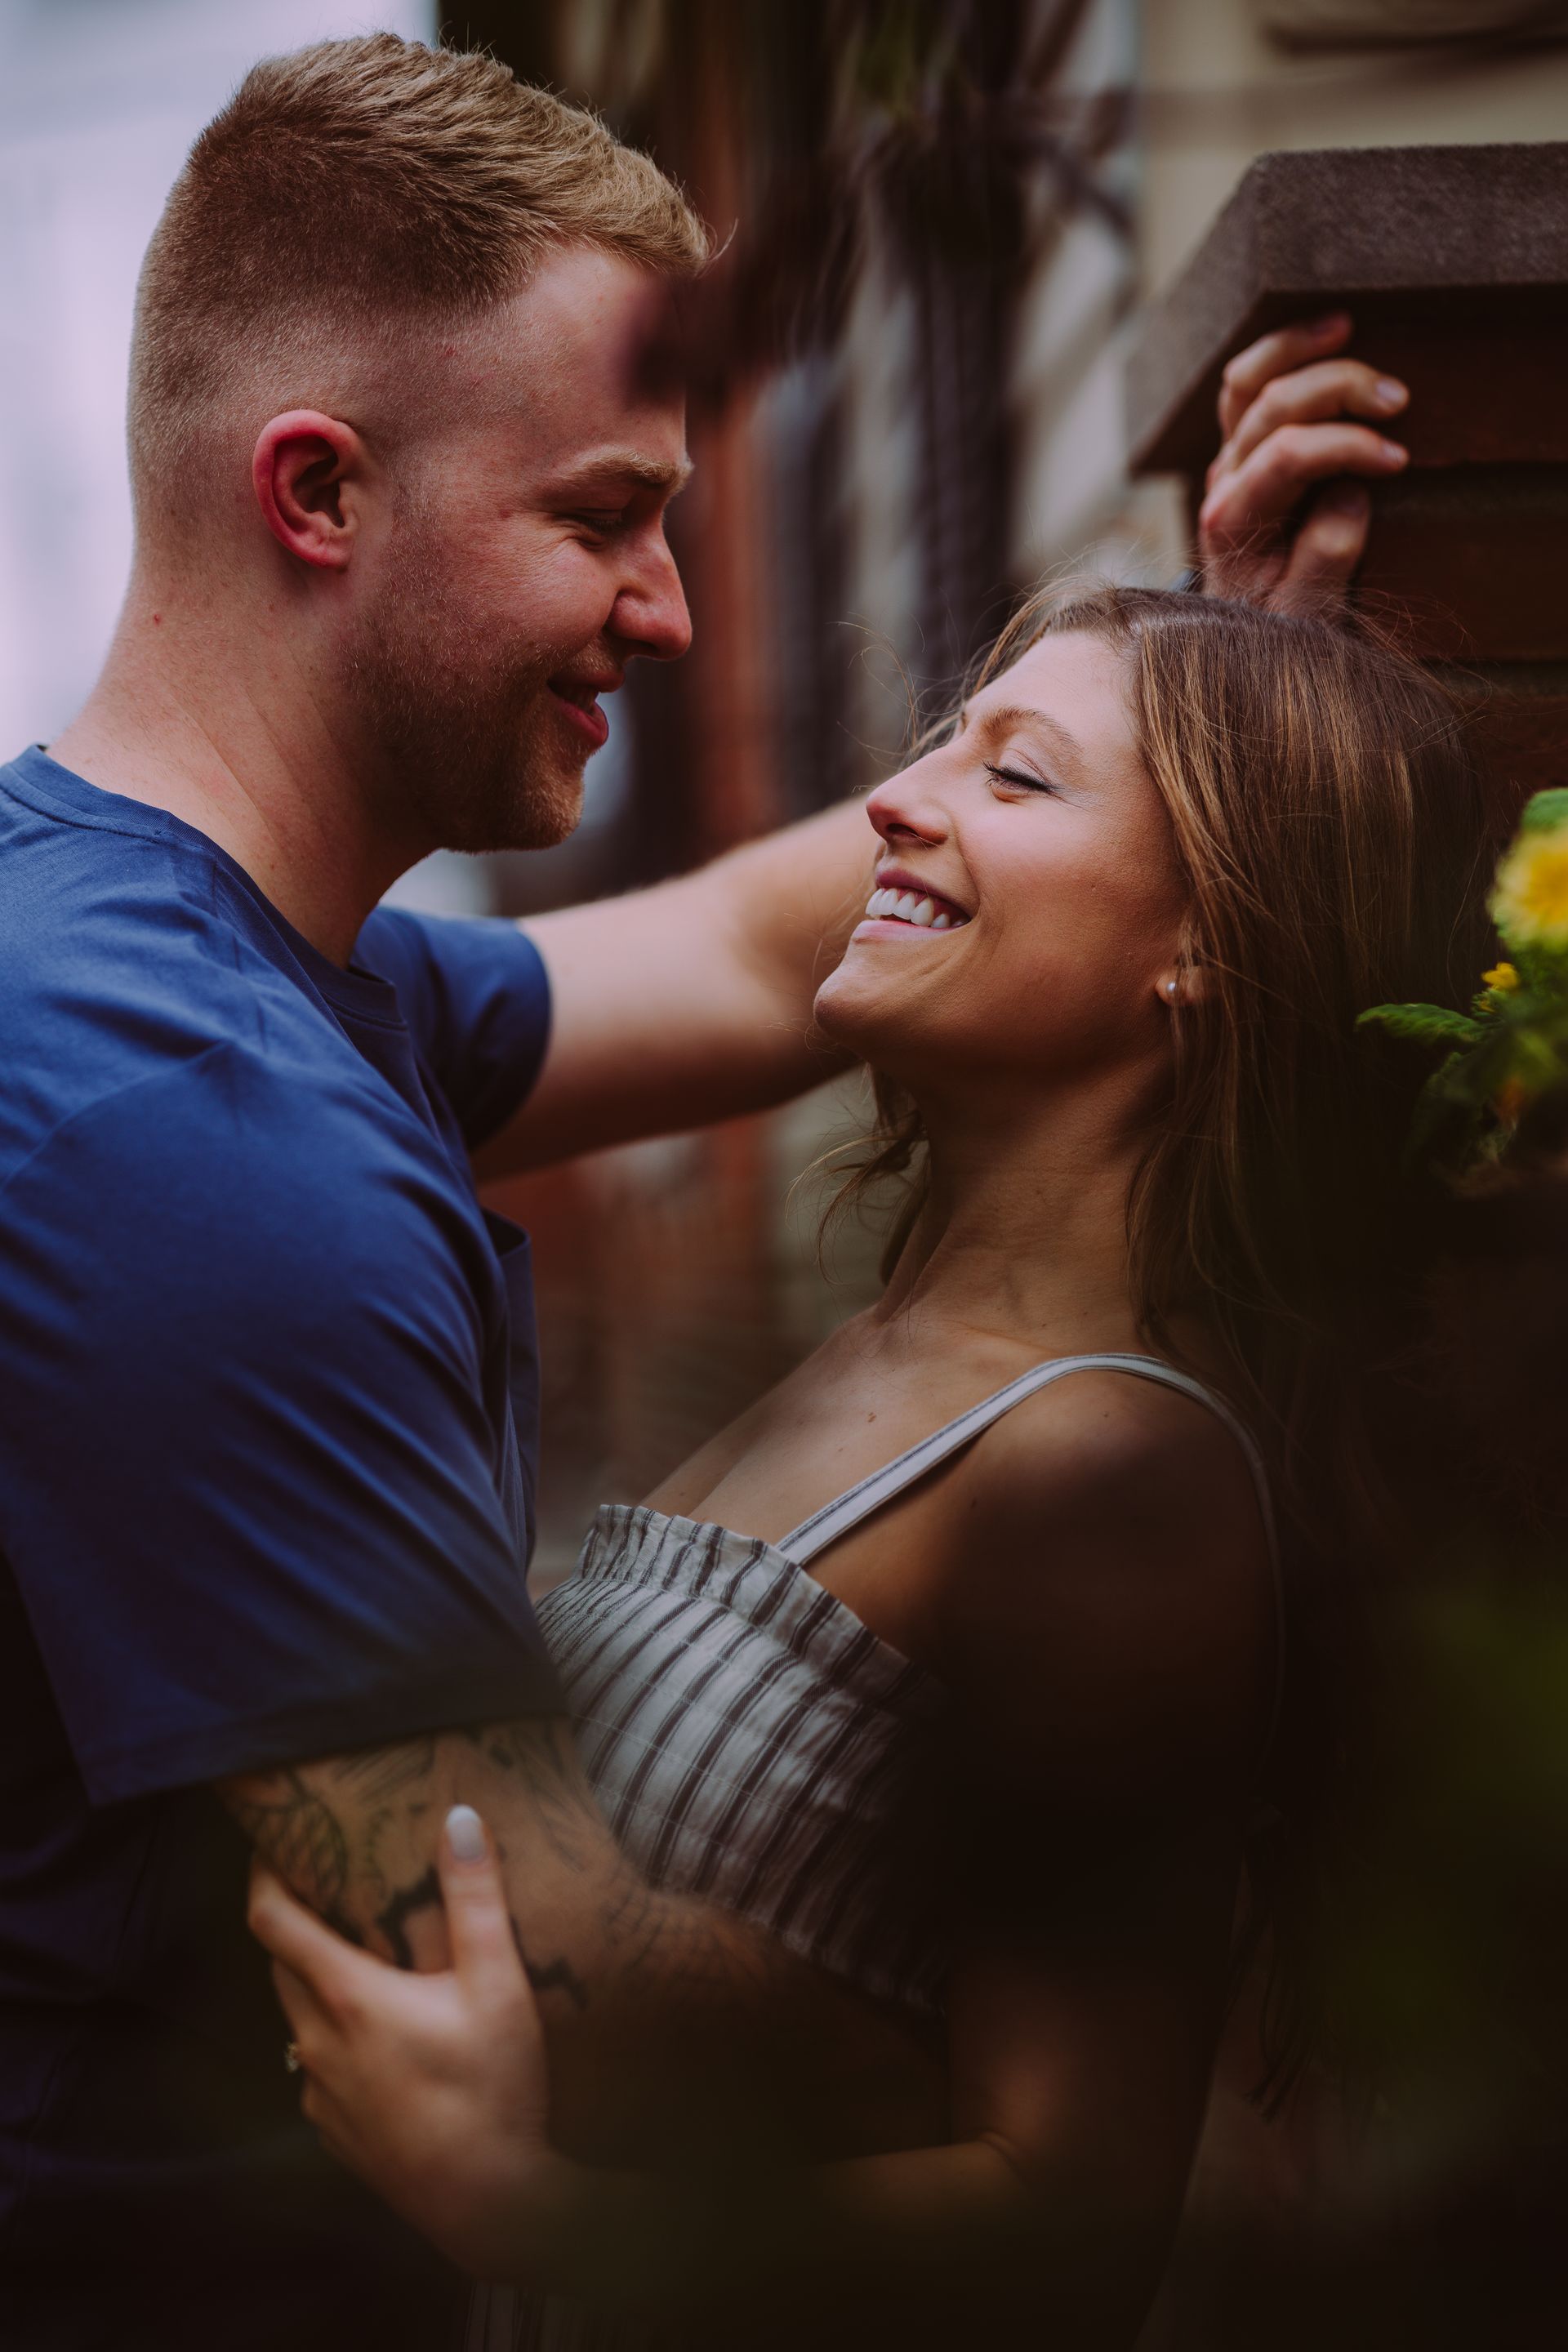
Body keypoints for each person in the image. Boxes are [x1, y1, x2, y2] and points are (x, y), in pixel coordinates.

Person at [0, 28, 1414, 2352]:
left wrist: (1219, 720)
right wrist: (1016, 2098)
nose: (666, 609)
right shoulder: (192, 1117)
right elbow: (537, 1945)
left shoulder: (239, 974)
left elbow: (794, 932)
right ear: (320, 494)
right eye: (600, 515)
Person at [251, 577, 1494, 2348]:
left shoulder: (1108, 1477)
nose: (900, 804)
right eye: (940, 748)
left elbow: (1083, 2216)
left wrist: (529, 2207)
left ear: (1203, 942)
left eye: (1019, 777)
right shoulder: (884, 1353)